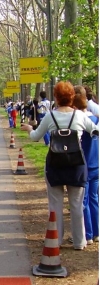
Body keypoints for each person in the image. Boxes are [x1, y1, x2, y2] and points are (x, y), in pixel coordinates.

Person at [21, 81, 98, 250]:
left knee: (55, 205)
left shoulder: (50, 116)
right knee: (77, 205)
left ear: (55, 97)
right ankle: (79, 241)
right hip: (76, 165)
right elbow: (95, 131)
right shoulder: (79, 116)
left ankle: (57, 239)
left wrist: (28, 128)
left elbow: (35, 137)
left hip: (55, 165)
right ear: (72, 97)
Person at [73, 86, 99, 245]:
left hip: (84, 164)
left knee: (83, 201)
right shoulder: (96, 118)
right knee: (94, 199)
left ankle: (87, 234)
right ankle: (97, 232)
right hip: (96, 163)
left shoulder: (79, 120)